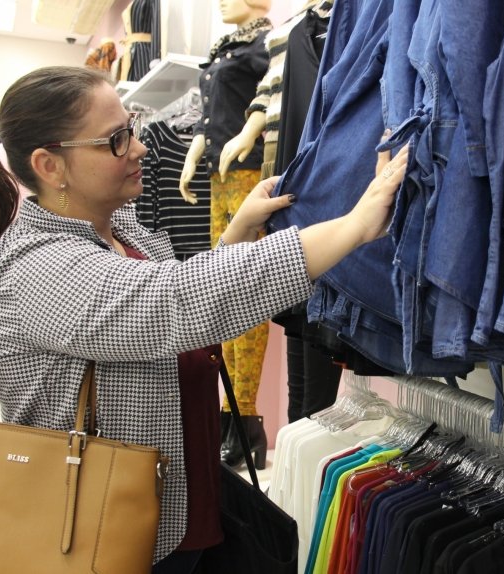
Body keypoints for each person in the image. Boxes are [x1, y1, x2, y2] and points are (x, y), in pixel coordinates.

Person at [0, 65, 407, 573]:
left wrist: (236, 231)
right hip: (101, 537)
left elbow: (172, 317)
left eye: (132, 127)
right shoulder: (37, 269)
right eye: (116, 140)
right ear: (50, 165)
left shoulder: (123, 236)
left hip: (176, 509)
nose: (140, 148)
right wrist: (352, 227)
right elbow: (172, 304)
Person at [179, 0, 275, 468]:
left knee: (246, 297)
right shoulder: (224, 49)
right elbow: (208, 118)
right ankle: (230, 414)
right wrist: (194, 153)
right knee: (224, 288)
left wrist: (243, 137)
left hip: (249, 173)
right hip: (220, 176)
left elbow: (268, 99)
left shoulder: (264, 45)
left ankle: (247, 417)